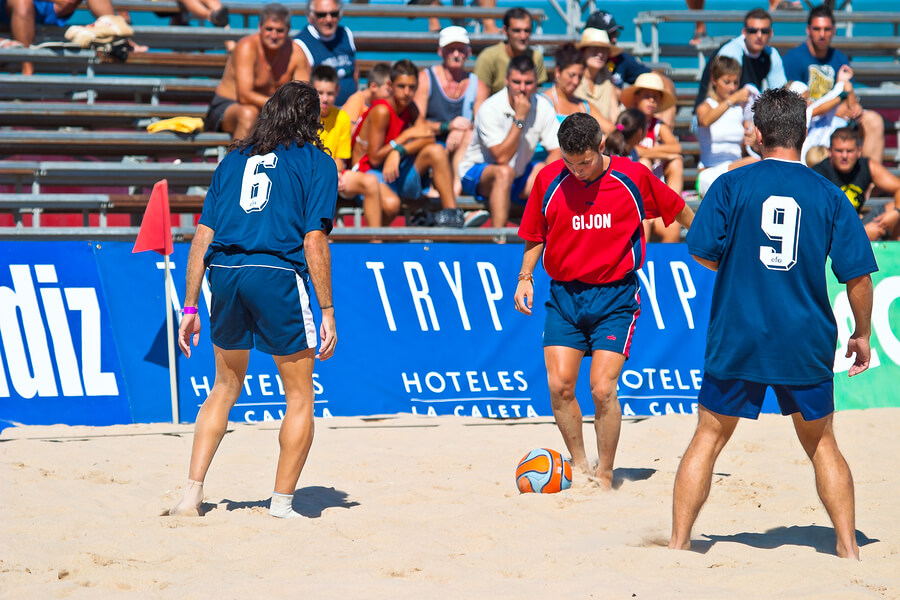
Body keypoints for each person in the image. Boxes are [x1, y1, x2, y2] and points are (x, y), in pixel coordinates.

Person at [671, 88, 877, 559]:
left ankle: (679, 544)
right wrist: (861, 333)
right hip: (803, 337)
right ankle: (848, 549)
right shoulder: (828, 194)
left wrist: (744, 264)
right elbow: (858, 278)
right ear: (805, 134)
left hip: (739, 332)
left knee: (708, 436)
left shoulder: (732, 184)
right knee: (822, 443)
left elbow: (702, 254)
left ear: (757, 135)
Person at [169, 81, 338, 520]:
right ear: (311, 121)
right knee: (299, 397)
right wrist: (327, 310)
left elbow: (201, 237)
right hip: (276, 273)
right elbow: (314, 239)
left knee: (224, 387)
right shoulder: (317, 161)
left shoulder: (232, 161)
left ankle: (191, 495)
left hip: (224, 274)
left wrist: (189, 307)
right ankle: (281, 505)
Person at [515, 112, 694, 488]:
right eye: (569, 162)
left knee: (601, 388)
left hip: (615, 297)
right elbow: (535, 235)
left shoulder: (633, 176)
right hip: (565, 296)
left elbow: (678, 210)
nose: (576, 171)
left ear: (600, 147)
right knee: (560, 386)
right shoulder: (549, 179)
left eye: (584, 162)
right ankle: (580, 466)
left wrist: (715, 244)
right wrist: (524, 277)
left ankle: (606, 473)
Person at [351, 59, 464, 227]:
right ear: (390, 85)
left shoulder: (410, 107)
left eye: (412, 87)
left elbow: (429, 137)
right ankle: (375, 242)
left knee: (436, 151)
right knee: (391, 204)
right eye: (401, 86)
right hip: (368, 172)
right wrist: (402, 139)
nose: (406, 92)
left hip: (394, 168)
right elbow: (374, 159)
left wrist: (399, 151)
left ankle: (451, 214)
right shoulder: (382, 110)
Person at [458, 54, 561, 228]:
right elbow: (501, 158)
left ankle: (546, 239)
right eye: (516, 82)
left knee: (547, 170)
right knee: (504, 173)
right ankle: (500, 241)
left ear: (536, 82)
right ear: (506, 80)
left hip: (518, 175)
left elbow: (557, 151)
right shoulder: (490, 108)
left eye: (528, 83)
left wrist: (541, 177)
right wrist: (519, 118)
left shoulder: (543, 106)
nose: (522, 88)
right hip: (477, 172)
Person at [782, 5, 884, 163]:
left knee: (873, 120)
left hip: (837, 120)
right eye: (817, 29)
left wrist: (854, 108)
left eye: (827, 29)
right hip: (809, 124)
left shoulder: (839, 58)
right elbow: (796, 105)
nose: (822, 34)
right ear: (808, 30)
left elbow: (848, 95)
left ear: (834, 31)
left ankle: (866, 181)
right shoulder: (794, 58)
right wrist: (833, 109)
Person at [206, 3, 310, 141]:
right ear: (260, 27)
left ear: (288, 29)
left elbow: (304, 93)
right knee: (249, 113)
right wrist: (283, 107)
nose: (274, 35)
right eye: (269, 29)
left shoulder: (296, 52)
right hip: (228, 107)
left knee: (302, 117)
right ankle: (237, 162)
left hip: (272, 111)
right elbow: (244, 96)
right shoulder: (247, 47)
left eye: (279, 30)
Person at [312, 65, 394, 227]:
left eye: (329, 93)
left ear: (337, 91)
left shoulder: (342, 117)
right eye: (320, 93)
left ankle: (375, 241)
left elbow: (341, 159)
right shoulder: (303, 117)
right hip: (312, 175)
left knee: (370, 182)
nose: (325, 99)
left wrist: (335, 174)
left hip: (335, 173)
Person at [414, 26, 482, 197]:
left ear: (468, 52)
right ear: (440, 52)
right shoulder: (426, 79)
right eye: (451, 49)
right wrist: (448, 127)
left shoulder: (477, 85)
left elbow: (481, 123)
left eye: (461, 49)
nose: (456, 54)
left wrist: (462, 130)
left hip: (462, 146)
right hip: (430, 142)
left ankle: (453, 195)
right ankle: (452, 199)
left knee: (469, 136)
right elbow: (417, 123)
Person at [583, 10, 678, 130]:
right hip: (600, 125)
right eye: (610, 35)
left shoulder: (621, 59)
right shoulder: (578, 73)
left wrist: (660, 123)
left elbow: (665, 82)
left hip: (613, 122)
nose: (614, 40)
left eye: (615, 34)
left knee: (667, 107)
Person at [621, 72, 684, 242]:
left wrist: (645, 151)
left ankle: (671, 206)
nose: (651, 101)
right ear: (636, 99)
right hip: (631, 195)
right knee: (644, 163)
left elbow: (676, 148)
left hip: (655, 190)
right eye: (647, 97)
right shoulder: (626, 121)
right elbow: (630, 150)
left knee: (676, 161)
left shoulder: (658, 125)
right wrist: (654, 153)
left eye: (655, 98)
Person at [813, 127, 900, 241]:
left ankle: (894, 254)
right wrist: (861, 233)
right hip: (831, 233)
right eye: (839, 151)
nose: (844, 156)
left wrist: (896, 212)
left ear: (859, 151)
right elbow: (817, 222)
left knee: (894, 209)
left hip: (857, 225)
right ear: (830, 152)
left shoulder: (866, 166)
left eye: (849, 151)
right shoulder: (818, 174)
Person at [694, 8, 787, 110]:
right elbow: (723, 96)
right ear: (744, 32)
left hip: (742, 111)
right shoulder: (731, 52)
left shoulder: (771, 54)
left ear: (771, 33)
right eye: (753, 31)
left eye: (764, 31)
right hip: (713, 112)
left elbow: (780, 93)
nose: (759, 36)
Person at [695, 55, 757, 197]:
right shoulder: (706, 106)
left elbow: (746, 146)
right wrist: (732, 99)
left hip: (736, 170)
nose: (732, 88)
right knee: (753, 163)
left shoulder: (740, 110)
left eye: (735, 83)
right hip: (709, 172)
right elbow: (705, 120)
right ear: (714, 81)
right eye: (727, 82)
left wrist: (753, 141)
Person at [1, 0, 117, 75]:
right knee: (22, 2)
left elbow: (67, 2)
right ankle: (27, 68)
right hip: (12, 6)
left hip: (41, 7)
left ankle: (119, 35)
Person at [472, 7, 547, 107]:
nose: (523, 36)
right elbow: (480, 100)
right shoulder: (488, 57)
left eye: (527, 30)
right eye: (517, 31)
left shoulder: (536, 57)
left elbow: (535, 95)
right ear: (505, 30)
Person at [294, 0, 357, 106]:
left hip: (351, 106)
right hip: (321, 111)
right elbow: (303, 89)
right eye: (321, 15)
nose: (328, 19)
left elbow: (355, 69)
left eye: (334, 14)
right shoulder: (300, 44)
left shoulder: (345, 33)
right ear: (310, 17)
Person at [543, 43, 611, 132]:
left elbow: (611, 130)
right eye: (571, 75)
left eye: (580, 77)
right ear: (557, 72)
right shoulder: (544, 102)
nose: (576, 82)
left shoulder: (584, 106)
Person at [572, 28, 621, 133]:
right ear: (583, 51)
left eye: (604, 50)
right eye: (595, 49)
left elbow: (615, 114)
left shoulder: (607, 77)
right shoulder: (573, 78)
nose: (600, 54)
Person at [341, 62, 391, 127]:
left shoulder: (377, 103)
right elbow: (348, 129)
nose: (390, 94)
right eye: (388, 90)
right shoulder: (356, 100)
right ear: (374, 87)